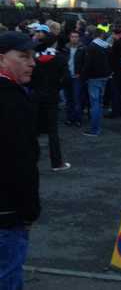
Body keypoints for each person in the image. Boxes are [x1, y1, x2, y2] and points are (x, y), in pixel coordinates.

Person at [0, 32, 40, 289]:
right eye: (24, 57)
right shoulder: (11, 100)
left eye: (32, 57)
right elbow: (20, 161)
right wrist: (29, 210)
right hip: (7, 213)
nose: (32, 63)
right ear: (2, 59)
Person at [31, 34, 71, 172]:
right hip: (52, 97)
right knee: (53, 132)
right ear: (55, 44)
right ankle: (56, 162)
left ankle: (31, 161)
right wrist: (57, 86)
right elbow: (67, 79)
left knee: (33, 131)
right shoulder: (60, 58)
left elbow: (29, 77)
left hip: (35, 97)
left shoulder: (35, 57)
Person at [81, 27, 112, 137]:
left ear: (93, 35)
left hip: (94, 77)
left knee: (95, 104)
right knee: (99, 103)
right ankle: (97, 126)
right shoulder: (107, 46)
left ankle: (95, 129)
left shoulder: (92, 47)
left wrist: (83, 77)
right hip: (104, 76)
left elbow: (88, 64)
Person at [64, 30, 86, 127]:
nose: (74, 38)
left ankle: (78, 119)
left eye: (76, 36)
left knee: (77, 98)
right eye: (72, 36)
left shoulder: (82, 48)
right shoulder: (65, 48)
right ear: (70, 37)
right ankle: (70, 118)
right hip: (67, 76)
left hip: (77, 77)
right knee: (68, 99)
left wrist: (80, 73)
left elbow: (85, 63)